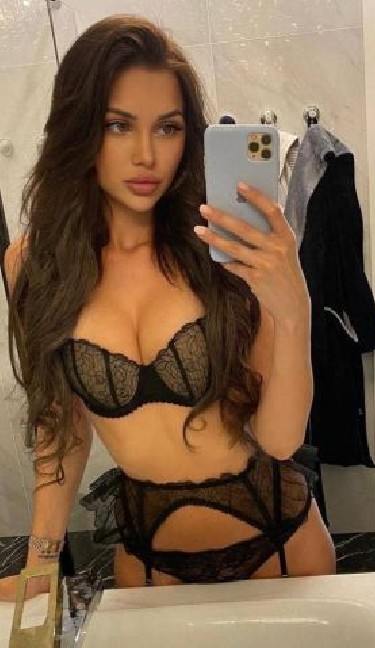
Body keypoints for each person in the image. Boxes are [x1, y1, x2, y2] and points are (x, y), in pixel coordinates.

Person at [0, 14, 335, 601]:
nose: (147, 155)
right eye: (118, 125)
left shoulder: (221, 249)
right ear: (79, 127)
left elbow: (280, 441)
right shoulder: (34, 265)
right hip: (149, 565)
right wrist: (41, 564)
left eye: (168, 128)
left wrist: (293, 311)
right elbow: (61, 426)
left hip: (281, 553)